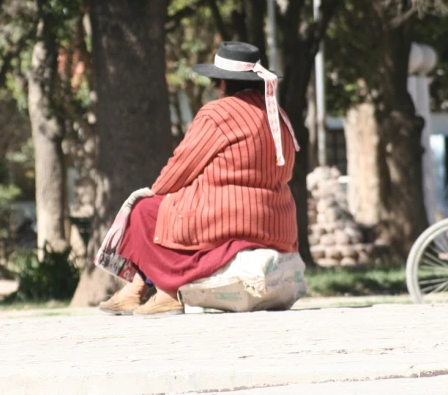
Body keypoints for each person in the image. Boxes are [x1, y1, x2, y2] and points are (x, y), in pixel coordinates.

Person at [98, 41, 300, 316]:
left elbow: (179, 169)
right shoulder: (278, 115)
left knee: (145, 211)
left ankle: (167, 293)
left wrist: (158, 192)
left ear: (221, 82)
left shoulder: (218, 113)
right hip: (278, 222)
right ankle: (134, 290)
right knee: (168, 213)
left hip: (230, 219)